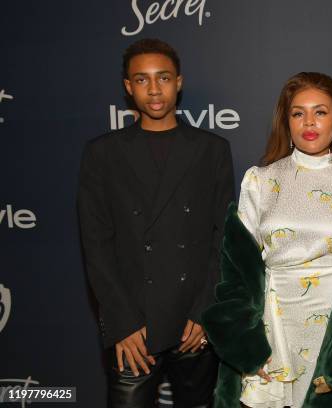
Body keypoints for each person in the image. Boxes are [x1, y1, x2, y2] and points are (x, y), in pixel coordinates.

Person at [203, 72, 332, 408]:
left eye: (321, 112)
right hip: (274, 330)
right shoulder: (258, 181)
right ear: (286, 122)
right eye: (298, 113)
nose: (309, 122)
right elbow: (238, 275)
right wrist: (249, 348)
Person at [77, 38, 234, 408]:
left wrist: (205, 312)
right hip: (133, 325)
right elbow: (96, 245)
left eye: (162, 78)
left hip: (193, 326)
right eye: (142, 80)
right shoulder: (102, 153)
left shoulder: (211, 150)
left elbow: (224, 238)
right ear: (128, 88)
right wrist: (122, 324)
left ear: (178, 82)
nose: (154, 88)